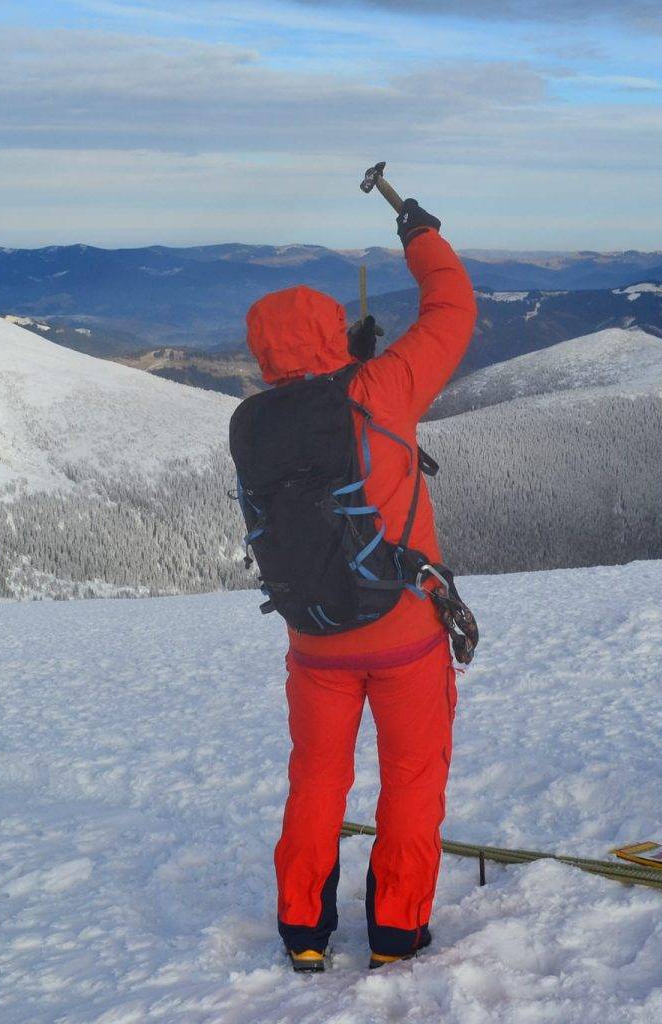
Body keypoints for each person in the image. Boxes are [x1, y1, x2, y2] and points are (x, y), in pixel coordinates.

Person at [232, 197, 476, 971]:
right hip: (405, 631)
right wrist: (419, 233)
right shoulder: (384, 387)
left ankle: (305, 934)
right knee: (410, 781)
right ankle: (395, 937)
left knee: (316, 782)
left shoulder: (251, 423)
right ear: (335, 333)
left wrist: (345, 369)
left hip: (313, 637)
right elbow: (453, 306)